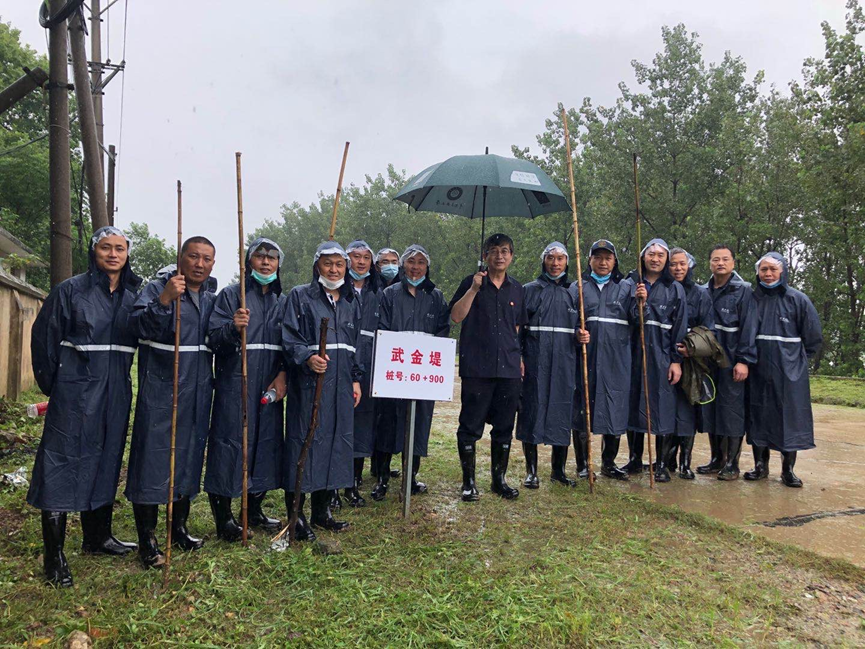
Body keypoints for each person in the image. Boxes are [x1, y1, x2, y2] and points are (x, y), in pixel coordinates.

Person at [27, 227, 141, 587]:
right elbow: (43, 339)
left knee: (107, 459)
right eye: (106, 247)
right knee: (61, 464)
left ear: (127, 254)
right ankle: (54, 555)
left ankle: (97, 536)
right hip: (75, 393)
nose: (113, 254)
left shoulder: (133, 296)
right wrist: (58, 387)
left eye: (119, 248)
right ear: (94, 251)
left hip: (115, 393)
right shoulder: (70, 290)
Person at [125, 237, 218, 568]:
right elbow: (138, 327)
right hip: (162, 391)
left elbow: (218, 339)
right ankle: (148, 539)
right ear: (181, 258)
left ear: (213, 264)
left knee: (188, 458)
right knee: (152, 461)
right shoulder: (157, 289)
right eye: (193, 256)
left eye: (206, 259)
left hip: (198, 391)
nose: (199, 264)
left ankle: (178, 527)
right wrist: (165, 300)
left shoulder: (211, 299)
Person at [204, 238, 287, 539]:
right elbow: (213, 339)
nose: (265, 262)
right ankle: (225, 517)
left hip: (269, 384)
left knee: (265, 443)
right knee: (230, 443)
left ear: (278, 264)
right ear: (248, 261)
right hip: (235, 383)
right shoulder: (231, 296)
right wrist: (232, 327)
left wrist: (283, 374)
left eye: (272, 257)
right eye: (260, 256)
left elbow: (289, 343)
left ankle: (253, 509)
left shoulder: (282, 301)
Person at [282, 242, 362, 538]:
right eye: (328, 263)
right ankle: (297, 514)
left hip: (342, 383)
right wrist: (307, 357)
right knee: (306, 440)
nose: (334, 270)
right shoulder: (300, 296)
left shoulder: (351, 300)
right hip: (311, 384)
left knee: (335, 441)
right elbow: (289, 337)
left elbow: (356, 344)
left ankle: (322, 509)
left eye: (339, 264)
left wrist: (356, 378)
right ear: (317, 265)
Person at [450, 233, 528, 502]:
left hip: (508, 370)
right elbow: (456, 316)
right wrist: (473, 289)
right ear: (485, 255)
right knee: (470, 427)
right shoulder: (471, 283)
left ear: (511, 256)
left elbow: (516, 328)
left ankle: (499, 480)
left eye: (505, 251)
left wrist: (517, 358)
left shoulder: (517, 289)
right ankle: (469, 482)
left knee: (504, 427)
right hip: (477, 368)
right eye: (494, 250)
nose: (499, 256)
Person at [373, 244, 451, 500]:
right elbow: (382, 329)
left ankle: (411, 477)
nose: (415, 267)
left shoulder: (436, 297)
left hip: (422, 374)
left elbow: (442, 331)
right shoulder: (390, 294)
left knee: (418, 424)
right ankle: (382, 478)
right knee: (387, 424)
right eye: (411, 261)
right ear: (403, 265)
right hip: (394, 370)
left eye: (421, 262)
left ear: (427, 267)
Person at [746, 252, 822, 487]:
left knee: (789, 417)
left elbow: (813, 337)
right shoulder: (752, 299)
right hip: (758, 369)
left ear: (783, 272)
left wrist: (797, 361)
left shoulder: (797, 299)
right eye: (764, 270)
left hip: (789, 372)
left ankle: (788, 469)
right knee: (758, 415)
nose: (768, 274)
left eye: (773, 269)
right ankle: (760, 466)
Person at [517, 242, 587, 488]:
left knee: (562, 412)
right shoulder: (529, 290)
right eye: (550, 258)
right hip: (535, 359)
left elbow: (580, 327)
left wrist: (581, 336)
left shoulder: (575, 292)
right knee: (531, 411)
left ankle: (558, 470)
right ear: (543, 261)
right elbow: (518, 329)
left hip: (565, 362)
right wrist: (519, 357)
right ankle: (531, 471)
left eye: (560, 258)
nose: (555, 263)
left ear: (567, 262)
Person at [622, 238, 687, 483]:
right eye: (651, 254)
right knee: (633, 404)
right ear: (643, 257)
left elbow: (679, 326)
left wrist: (675, 360)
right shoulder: (631, 283)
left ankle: (660, 463)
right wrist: (638, 302)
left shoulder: (675, 288)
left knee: (663, 407)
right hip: (634, 353)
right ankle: (634, 458)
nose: (655, 259)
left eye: (661, 255)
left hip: (662, 354)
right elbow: (625, 318)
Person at [572, 240, 637, 481]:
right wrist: (576, 334)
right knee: (582, 410)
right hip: (586, 360)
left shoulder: (626, 288)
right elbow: (568, 320)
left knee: (615, 409)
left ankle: (609, 463)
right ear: (589, 260)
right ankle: (583, 464)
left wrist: (642, 302)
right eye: (597, 257)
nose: (602, 262)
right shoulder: (577, 287)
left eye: (607, 258)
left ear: (614, 261)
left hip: (616, 361)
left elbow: (638, 320)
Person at [698, 245, 757, 480]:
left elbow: (749, 327)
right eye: (715, 260)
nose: (720, 263)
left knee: (732, 410)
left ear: (733, 263)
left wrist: (744, 360)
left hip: (732, 360)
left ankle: (732, 463)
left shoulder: (743, 291)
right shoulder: (703, 291)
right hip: (708, 360)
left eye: (725, 259)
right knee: (710, 407)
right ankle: (716, 458)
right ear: (709, 263)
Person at [335, 239, 383, 508]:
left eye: (366, 257)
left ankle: (352, 484)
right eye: (356, 256)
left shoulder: (379, 293)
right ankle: (331, 486)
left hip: (370, 368)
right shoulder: (337, 290)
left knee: (362, 427)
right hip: (341, 365)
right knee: (337, 423)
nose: (361, 262)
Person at [668, 248, 715, 479]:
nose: (677, 268)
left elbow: (708, 329)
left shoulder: (700, 294)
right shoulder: (663, 290)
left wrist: (691, 348)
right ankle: (665, 460)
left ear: (689, 266)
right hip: (665, 357)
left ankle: (685, 462)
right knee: (667, 409)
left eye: (682, 264)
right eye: (673, 264)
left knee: (688, 411)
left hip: (691, 361)